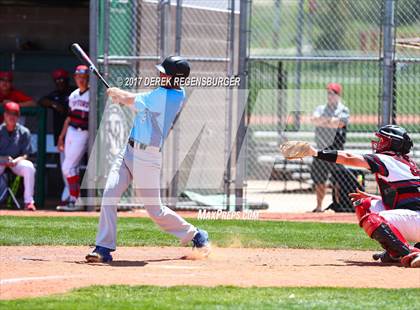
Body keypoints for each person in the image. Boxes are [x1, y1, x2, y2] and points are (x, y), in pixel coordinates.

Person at [85, 56, 210, 263]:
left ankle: (196, 235)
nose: (160, 74)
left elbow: (132, 99)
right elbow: (136, 102)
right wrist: (123, 98)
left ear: (175, 78)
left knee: (155, 211)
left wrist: (119, 94)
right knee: (110, 194)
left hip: (147, 158)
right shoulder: (161, 93)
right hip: (128, 151)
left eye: (165, 73)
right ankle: (103, 248)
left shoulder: (169, 96)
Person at [285, 125, 420, 268]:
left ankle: (410, 252)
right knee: (364, 204)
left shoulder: (386, 159)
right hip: (415, 217)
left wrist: (314, 152)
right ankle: (395, 252)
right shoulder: (406, 163)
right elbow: (410, 196)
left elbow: (349, 158)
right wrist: (376, 198)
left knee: (373, 220)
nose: (378, 143)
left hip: (416, 219)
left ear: (392, 143)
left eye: (383, 140)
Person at [311, 83, 350, 212]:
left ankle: (338, 205)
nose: (330, 96)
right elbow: (314, 120)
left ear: (338, 95)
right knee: (319, 179)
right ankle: (318, 206)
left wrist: (324, 121)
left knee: (338, 180)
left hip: (336, 149)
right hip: (321, 148)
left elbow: (339, 124)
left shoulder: (343, 109)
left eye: (332, 93)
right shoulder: (320, 108)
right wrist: (330, 121)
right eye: (328, 93)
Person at [56, 65, 90, 211]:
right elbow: (69, 118)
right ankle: (74, 200)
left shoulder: (92, 94)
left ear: (88, 79)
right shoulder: (73, 95)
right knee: (72, 169)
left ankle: (75, 200)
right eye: (78, 77)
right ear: (75, 78)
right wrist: (61, 136)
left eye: (84, 78)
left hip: (83, 132)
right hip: (71, 131)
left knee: (67, 167)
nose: (81, 80)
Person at [38, 69, 74, 205]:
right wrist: (54, 104)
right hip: (61, 137)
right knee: (66, 166)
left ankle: (72, 195)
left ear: (67, 80)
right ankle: (69, 194)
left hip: (77, 134)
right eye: (57, 80)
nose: (60, 83)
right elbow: (41, 101)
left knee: (72, 165)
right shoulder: (55, 95)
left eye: (62, 80)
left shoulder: (73, 92)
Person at [0, 101, 36, 211]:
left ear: (18, 116)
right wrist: (3, 159)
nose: (12, 117)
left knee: (29, 167)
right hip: (1, 162)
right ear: (4, 115)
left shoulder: (24, 132)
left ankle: (28, 202)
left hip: (16, 162)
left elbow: (25, 154)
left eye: (15, 114)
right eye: (9, 114)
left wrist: (16, 160)